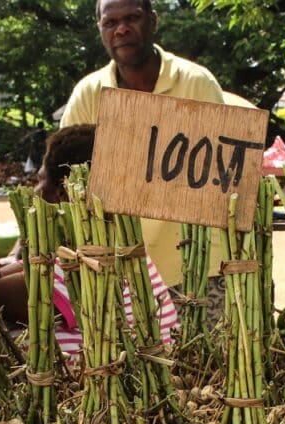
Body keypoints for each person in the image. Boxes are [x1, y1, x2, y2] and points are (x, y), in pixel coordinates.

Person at [0, 125, 178, 357]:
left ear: (63, 193)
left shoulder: (83, 265)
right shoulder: (118, 249)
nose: (33, 190)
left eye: (39, 180)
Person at [60, 0, 228, 324]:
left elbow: (222, 175)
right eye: (110, 23)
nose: (121, 29)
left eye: (132, 18)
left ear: (153, 20)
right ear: (100, 30)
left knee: (205, 371)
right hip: (118, 272)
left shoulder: (196, 83)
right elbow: (63, 174)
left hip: (197, 268)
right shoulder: (88, 94)